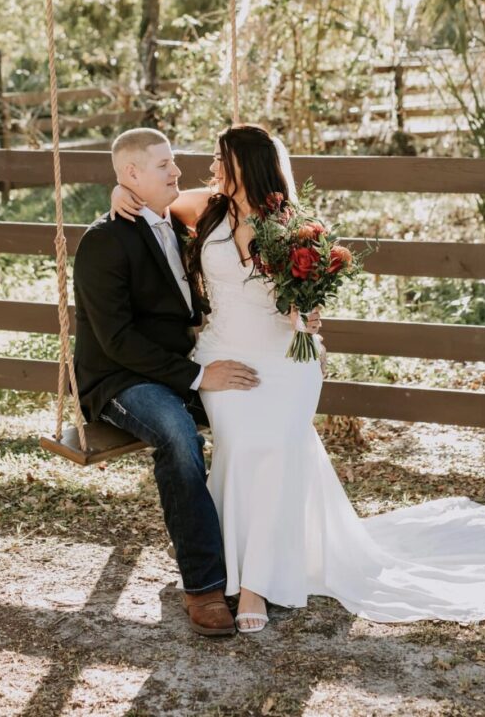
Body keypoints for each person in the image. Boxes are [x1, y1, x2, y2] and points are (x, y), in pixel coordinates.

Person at [112, 123, 485, 632]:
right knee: (244, 446)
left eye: (221, 160)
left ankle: (255, 584)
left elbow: (304, 298)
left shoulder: (290, 225)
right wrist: (119, 191)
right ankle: (227, 556)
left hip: (287, 360)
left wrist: (307, 316)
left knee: (280, 445)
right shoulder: (206, 208)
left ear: (245, 165)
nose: (212, 168)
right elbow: (152, 199)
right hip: (225, 356)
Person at [74, 127, 321, 636]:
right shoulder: (104, 240)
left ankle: (256, 565)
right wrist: (200, 374)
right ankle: (205, 585)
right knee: (178, 434)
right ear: (132, 174)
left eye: (176, 162)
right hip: (124, 377)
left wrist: (307, 314)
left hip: (196, 362)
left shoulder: (185, 215)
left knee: (270, 438)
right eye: (165, 165)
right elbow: (116, 341)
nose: (181, 171)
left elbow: (283, 287)